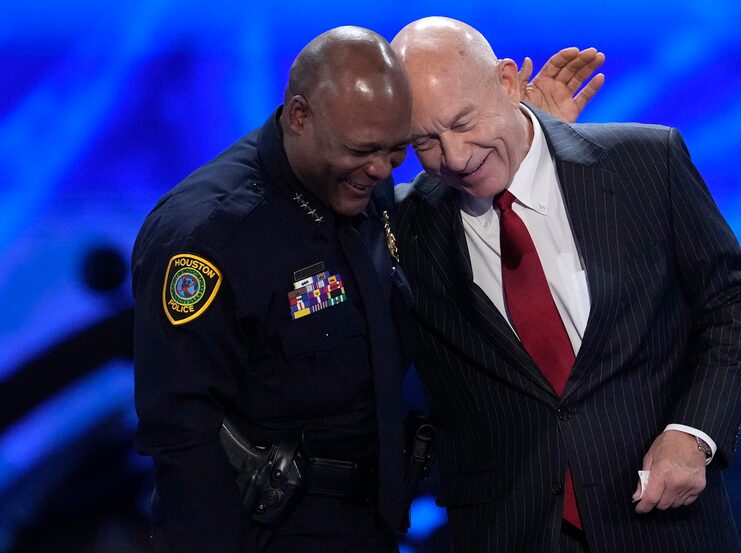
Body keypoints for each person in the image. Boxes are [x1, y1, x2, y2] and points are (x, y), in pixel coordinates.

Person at [132, 25, 603, 553]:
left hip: (374, 524)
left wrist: (513, 148)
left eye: (397, 151)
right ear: (299, 115)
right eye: (362, 151)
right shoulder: (208, 236)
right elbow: (181, 435)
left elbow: (433, 213)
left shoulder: (361, 177)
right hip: (269, 532)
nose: (379, 171)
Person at [392, 17, 741, 553]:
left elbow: (734, 301)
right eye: (425, 141)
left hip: (666, 524)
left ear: (505, 82)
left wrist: (695, 433)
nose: (455, 156)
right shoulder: (401, 226)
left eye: (465, 121)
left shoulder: (647, 161)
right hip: (509, 531)